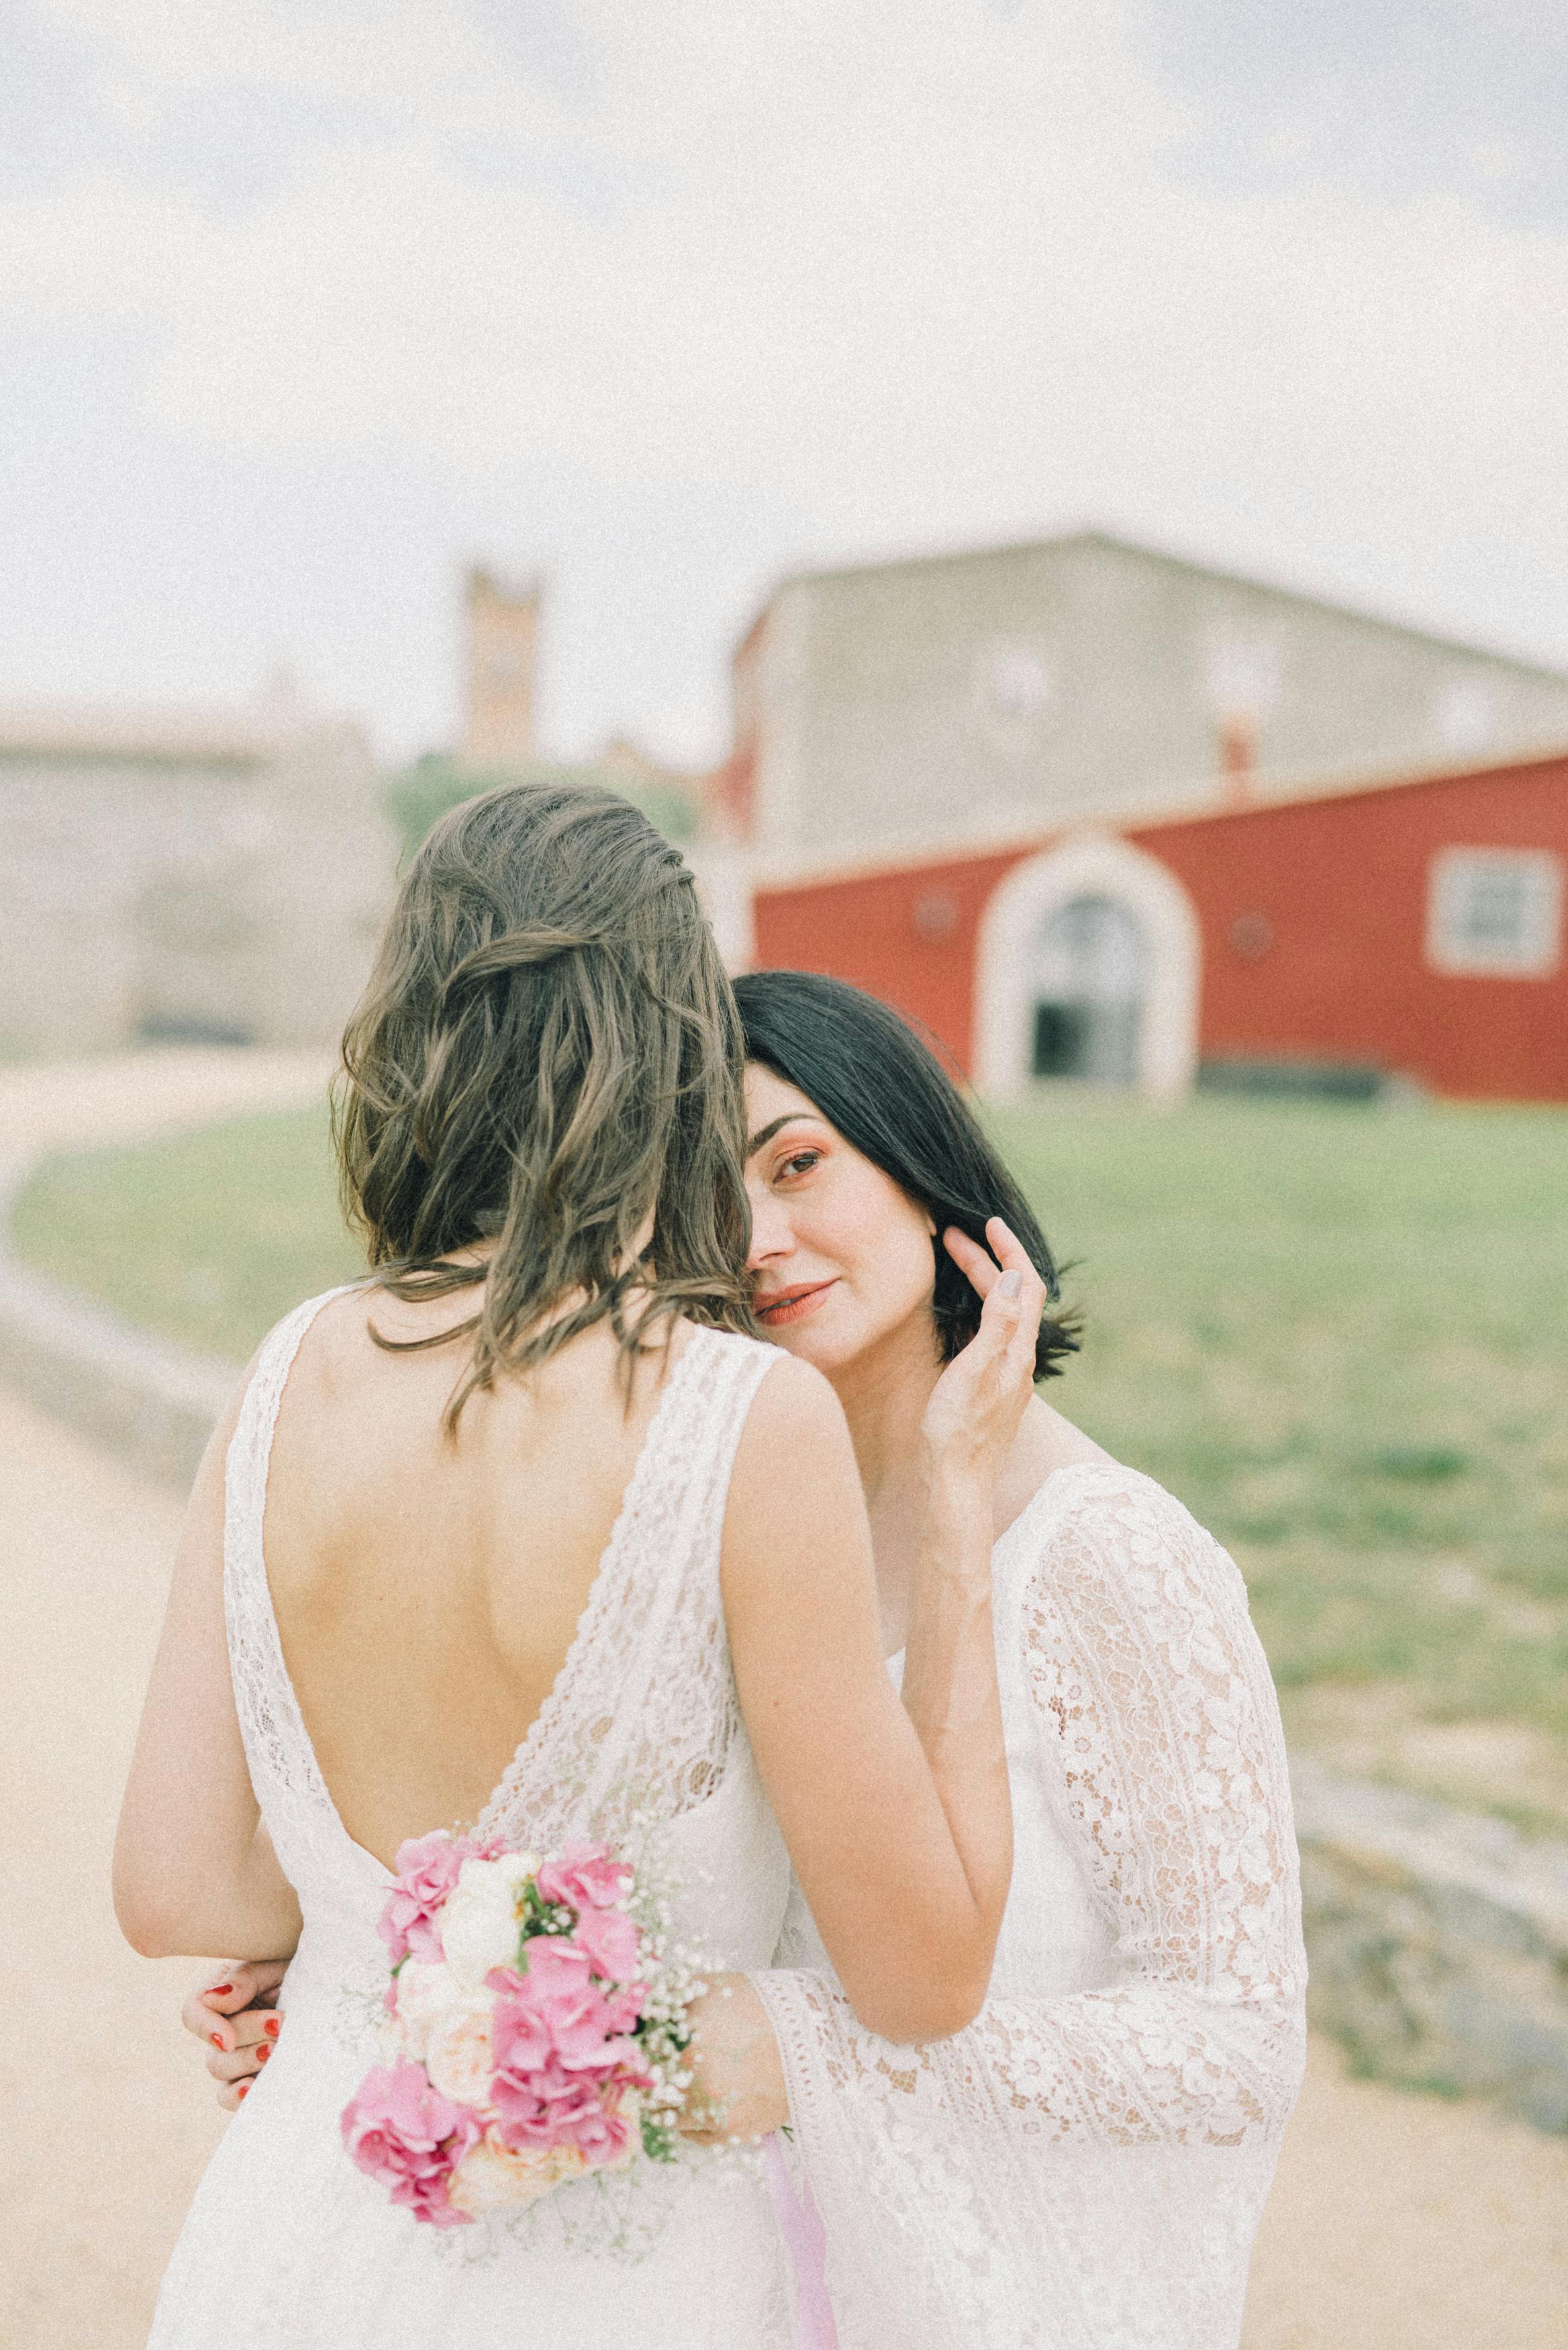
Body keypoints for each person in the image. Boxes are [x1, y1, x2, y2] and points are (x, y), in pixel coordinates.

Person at [181, 956, 1308, 2348]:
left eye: (799, 1162)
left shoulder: (1108, 1557)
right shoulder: (707, 1514)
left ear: (918, 1157)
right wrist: (389, 1990)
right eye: (708, 1191)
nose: (758, 1235)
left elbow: (1231, 2040)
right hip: (676, 2278)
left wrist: (802, 2054)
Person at [117, 786, 1045, 2350]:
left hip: (289, 2244)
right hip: (613, 2281)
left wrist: (364, 1932)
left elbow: (176, 1888)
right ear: (674, 1047)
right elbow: (925, 1974)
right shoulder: (742, 1419)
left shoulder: (284, 1376)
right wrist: (954, 1526)